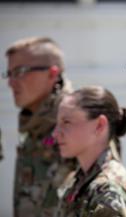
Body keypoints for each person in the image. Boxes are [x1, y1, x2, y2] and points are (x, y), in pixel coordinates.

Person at [4, 37, 76, 217]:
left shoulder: (79, 123)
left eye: (20, 71)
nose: (11, 83)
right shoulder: (33, 123)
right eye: (9, 73)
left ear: (52, 73)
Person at [53, 86, 126, 217]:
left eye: (66, 122)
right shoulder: (79, 180)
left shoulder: (109, 192)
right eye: (57, 123)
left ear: (100, 125)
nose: (55, 133)